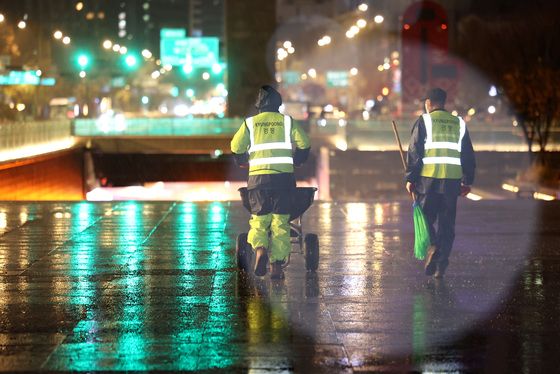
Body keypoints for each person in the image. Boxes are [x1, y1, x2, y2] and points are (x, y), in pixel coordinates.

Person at [231, 85, 311, 279]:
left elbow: (235, 146)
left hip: (258, 181)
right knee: (280, 223)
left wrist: (242, 161)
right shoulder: (287, 121)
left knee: (259, 220)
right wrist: (298, 159)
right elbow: (304, 143)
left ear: (258, 105)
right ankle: (276, 265)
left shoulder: (250, 123)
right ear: (278, 103)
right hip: (283, 181)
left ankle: (260, 249)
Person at [405, 87, 476, 278]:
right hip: (452, 181)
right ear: (443, 103)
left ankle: (434, 247)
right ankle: (441, 263)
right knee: (447, 223)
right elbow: (468, 154)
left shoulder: (424, 121)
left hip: (428, 180)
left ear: (428, 103)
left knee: (426, 218)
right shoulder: (459, 123)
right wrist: (467, 180)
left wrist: (410, 178)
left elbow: (414, 152)